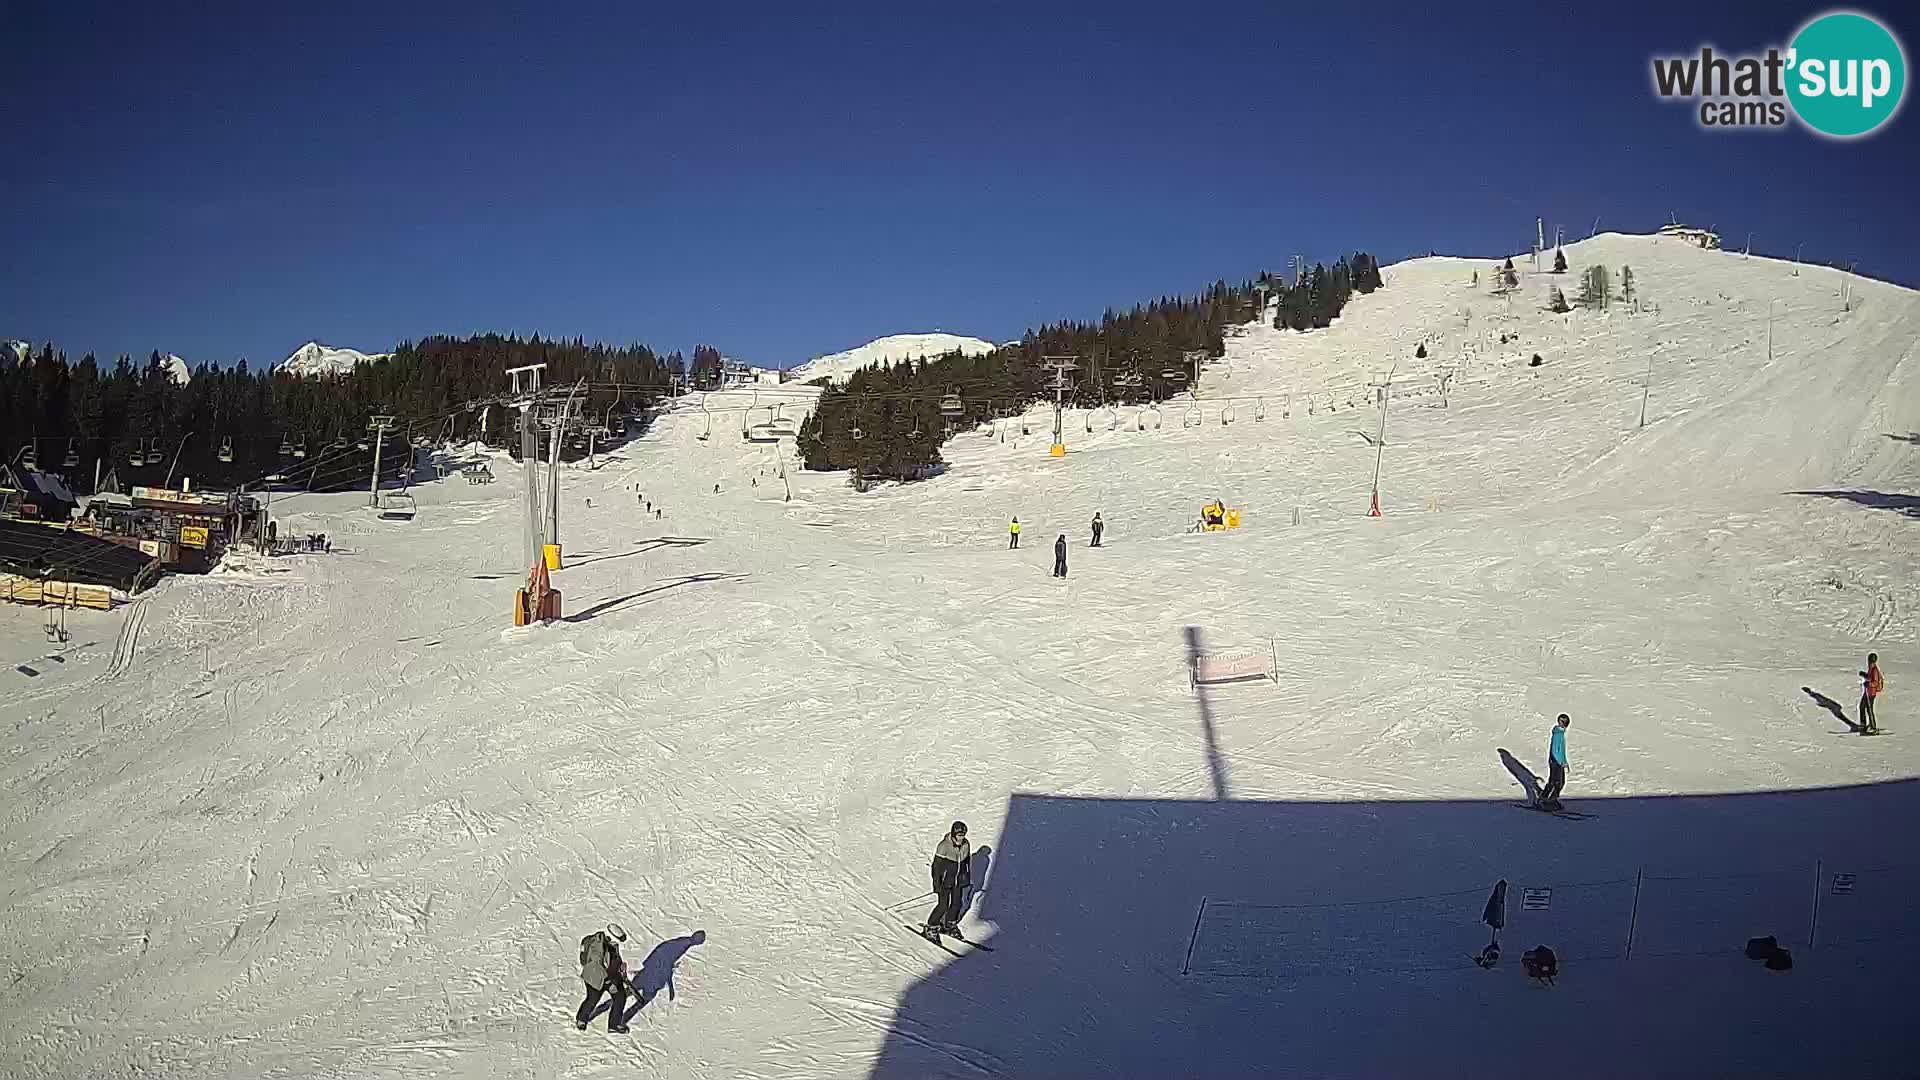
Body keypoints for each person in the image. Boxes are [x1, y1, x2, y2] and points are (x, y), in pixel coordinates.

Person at [576, 923, 631, 1033]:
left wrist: (619, 965)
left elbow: (612, 957)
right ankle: (581, 1019)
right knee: (592, 999)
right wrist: (609, 984)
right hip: (595, 978)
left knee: (620, 997)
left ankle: (613, 1025)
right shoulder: (597, 949)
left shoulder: (608, 943)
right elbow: (596, 968)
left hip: (610, 975)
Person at [925, 822, 973, 940]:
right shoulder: (944, 846)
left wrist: (966, 877)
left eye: (963, 835)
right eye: (959, 835)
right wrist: (937, 884)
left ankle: (949, 924)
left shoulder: (966, 845)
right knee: (943, 905)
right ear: (953, 834)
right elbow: (936, 867)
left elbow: (966, 862)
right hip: (945, 882)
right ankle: (931, 926)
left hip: (957, 881)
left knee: (957, 904)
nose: (961, 837)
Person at [1539, 713, 1571, 808]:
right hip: (1555, 761)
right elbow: (1555, 751)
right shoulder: (1558, 734)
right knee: (1557, 782)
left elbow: (1561, 750)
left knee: (1556, 781)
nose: (1565, 724)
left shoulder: (1560, 733)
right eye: (1563, 722)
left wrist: (1564, 761)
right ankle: (1548, 801)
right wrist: (1560, 762)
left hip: (1557, 761)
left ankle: (1546, 798)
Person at [1860, 653, 1884, 734]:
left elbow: (1875, 683)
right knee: (1862, 706)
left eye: (1870, 660)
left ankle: (1873, 727)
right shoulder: (1871, 668)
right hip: (1867, 692)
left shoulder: (1874, 670)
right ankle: (1863, 724)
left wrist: (1868, 684)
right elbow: (1870, 678)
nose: (1869, 662)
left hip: (1871, 693)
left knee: (1869, 709)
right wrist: (1864, 675)